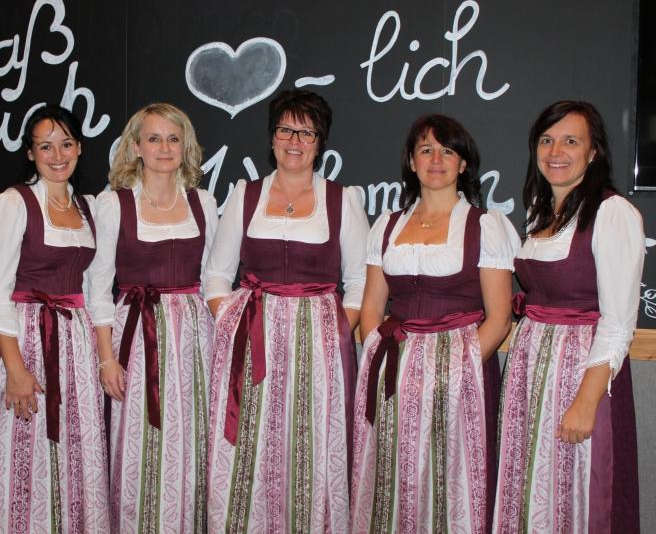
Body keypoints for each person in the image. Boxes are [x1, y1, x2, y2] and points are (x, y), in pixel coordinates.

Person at [204, 89, 369, 533]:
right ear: (272, 137)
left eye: (306, 132)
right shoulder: (245, 195)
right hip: (250, 343)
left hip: (317, 355)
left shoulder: (343, 200)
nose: (294, 140)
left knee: (309, 449)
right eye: (285, 129)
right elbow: (216, 275)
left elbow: (358, 283)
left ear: (320, 141)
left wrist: (333, 333)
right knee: (250, 452)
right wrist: (232, 321)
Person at [350, 114, 519, 533]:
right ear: (411, 161)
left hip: (461, 374)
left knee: (452, 478)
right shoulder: (387, 225)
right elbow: (373, 305)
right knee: (391, 475)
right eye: (426, 149)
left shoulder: (486, 225)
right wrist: (384, 358)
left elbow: (499, 318)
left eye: (448, 150)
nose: (436, 159)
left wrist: (450, 371)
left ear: (464, 164)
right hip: (392, 371)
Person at [493, 101, 644, 533]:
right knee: (532, 493)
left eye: (571, 141)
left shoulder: (612, 213)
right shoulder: (542, 209)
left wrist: (585, 403)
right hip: (531, 371)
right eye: (546, 140)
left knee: (580, 492)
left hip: (578, 375)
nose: (556, 150)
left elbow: (617, 323)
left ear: (593, 152)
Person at [0, 104, 110, 533]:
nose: (57, 154)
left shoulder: (88, 208)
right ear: (30, 153)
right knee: (25, 455)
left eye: (66, 144)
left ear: (80, 148)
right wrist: (16, 369)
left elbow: (93, 286)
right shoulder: (12, 204)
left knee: (73, 454)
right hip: (26, 340)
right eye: (45, 146)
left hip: (76, 342)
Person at [86, 103, 218, 533]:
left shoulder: (204, 202)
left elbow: (216, 278)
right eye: (155, 138)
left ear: (186, 147)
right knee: (140, 445)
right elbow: (98, 286)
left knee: (193, 443)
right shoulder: (112, 205)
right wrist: (106, 358)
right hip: (137, 339)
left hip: (196, 340)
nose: (165, 147)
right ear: (137, 146)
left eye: (173, 139)